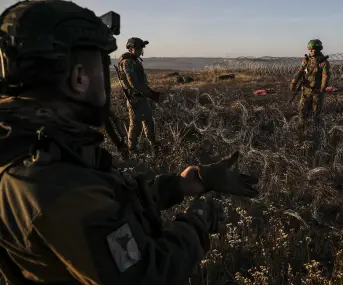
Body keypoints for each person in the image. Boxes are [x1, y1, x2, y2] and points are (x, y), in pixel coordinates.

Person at [0, 1, 258, 284]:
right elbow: (146, 274)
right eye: (100, 65)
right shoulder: (46, 182)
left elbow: (105, 201)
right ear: (78, 77)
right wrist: (198, 220)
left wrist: (176, 185)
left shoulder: (41, 146)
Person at [117, 37, 163, 154]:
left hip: (141, 97)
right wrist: (150, 93)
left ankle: (154, 145)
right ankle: (132, 150)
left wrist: (149, 93)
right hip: (135, 99)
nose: (141, 51)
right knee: (135, 126)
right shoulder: (127, 62)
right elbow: (133, 82)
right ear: (131, 49)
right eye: (139, 48)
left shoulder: (134, 60)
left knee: (149, 122)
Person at [289, 39, 331, 125]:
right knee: (302, 110)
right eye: (309, 49)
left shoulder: (324, 63)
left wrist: (322, 88)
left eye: (313, 48)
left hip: (317, 91)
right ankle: (302, 128)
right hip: (306, 90)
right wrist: (294, 82)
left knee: (316, 112)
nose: (310, 51)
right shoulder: (306, 61)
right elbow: (299, 72)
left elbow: (325, 76)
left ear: (318, 49)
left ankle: (315, 130)